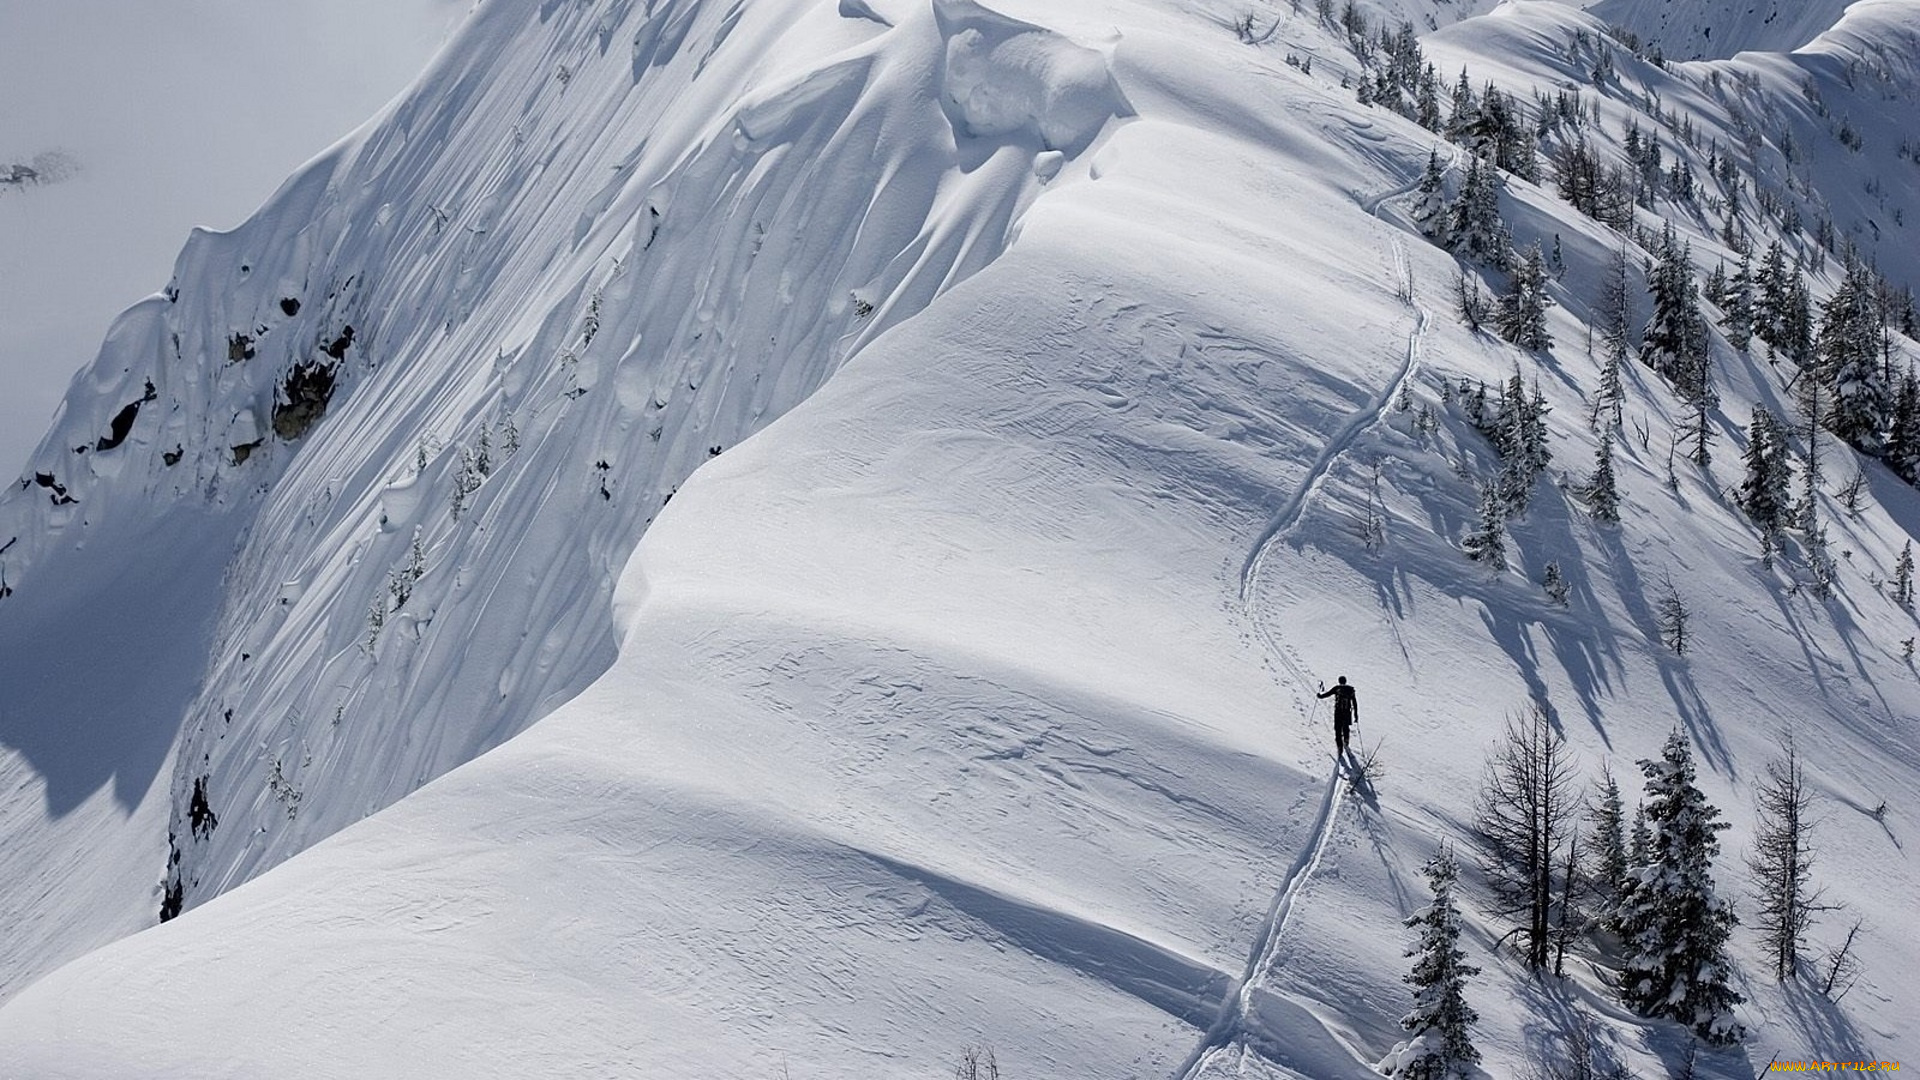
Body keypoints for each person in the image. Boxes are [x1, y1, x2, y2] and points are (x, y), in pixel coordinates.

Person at [1317, 676, 1358, 756]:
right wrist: (1356, 715)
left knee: (1338, 728)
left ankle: (1340, 746)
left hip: (1338, 712)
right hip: (1347, 712)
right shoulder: (1350, 690)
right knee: (1345, 727)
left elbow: (1327, 694)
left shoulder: (1337, 688)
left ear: (1339, 681)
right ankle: (1346, 740)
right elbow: (1354, 703)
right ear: (1345, 681)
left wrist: (1319, 696)